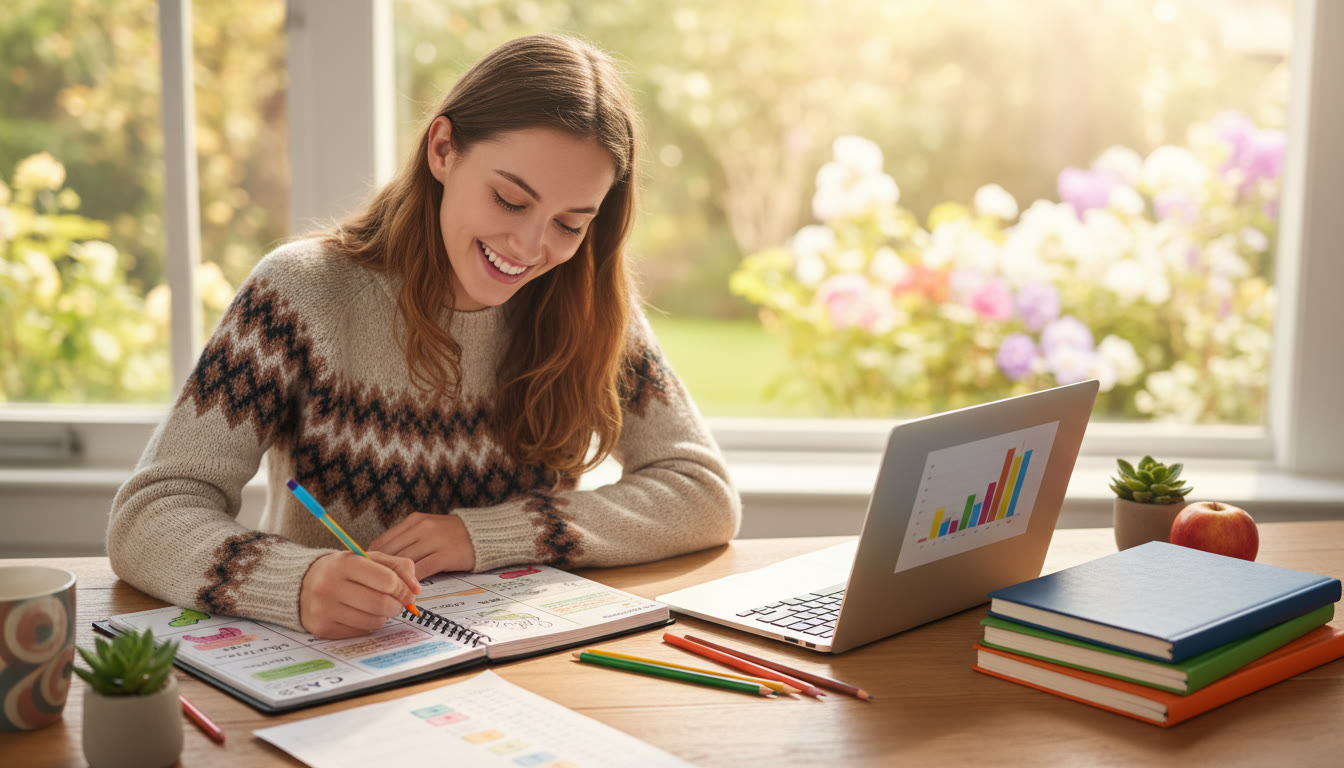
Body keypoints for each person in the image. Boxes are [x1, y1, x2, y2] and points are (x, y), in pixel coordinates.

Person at [107, 33, 741, 639]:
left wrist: (488, 535)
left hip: (521, 667)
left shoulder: (588, 304)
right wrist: (295, 582)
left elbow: (701, 492)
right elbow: (149, 513)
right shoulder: (302, 294)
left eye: (571, 224)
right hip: (341, 670)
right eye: (509, 200)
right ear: (443, 149)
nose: (531, 247)